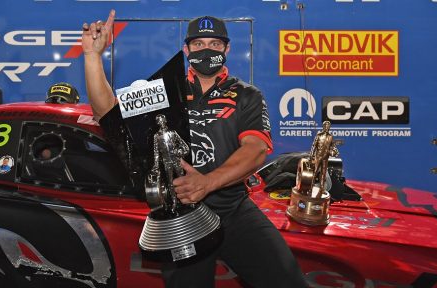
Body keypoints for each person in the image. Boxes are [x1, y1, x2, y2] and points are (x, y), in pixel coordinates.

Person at [82, 11, 308, 288]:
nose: (206, 50)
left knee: (287, 281)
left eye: (215, 44)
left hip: (234, 209)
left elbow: (256, 150)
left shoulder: (247, 95)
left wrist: (207, 182)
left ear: (227, 49)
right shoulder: (161, 91)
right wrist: (92, 57)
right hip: (180, 215)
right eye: (198, 44)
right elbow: (106, 111)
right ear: (186, 49)